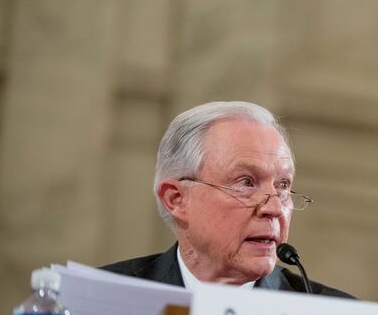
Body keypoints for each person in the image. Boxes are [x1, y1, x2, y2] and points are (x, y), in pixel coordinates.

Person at [102, 101, 353, 298]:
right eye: (246, 182)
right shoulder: (101, 299)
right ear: (176, 199)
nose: (275, 208)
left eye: (283, 186)